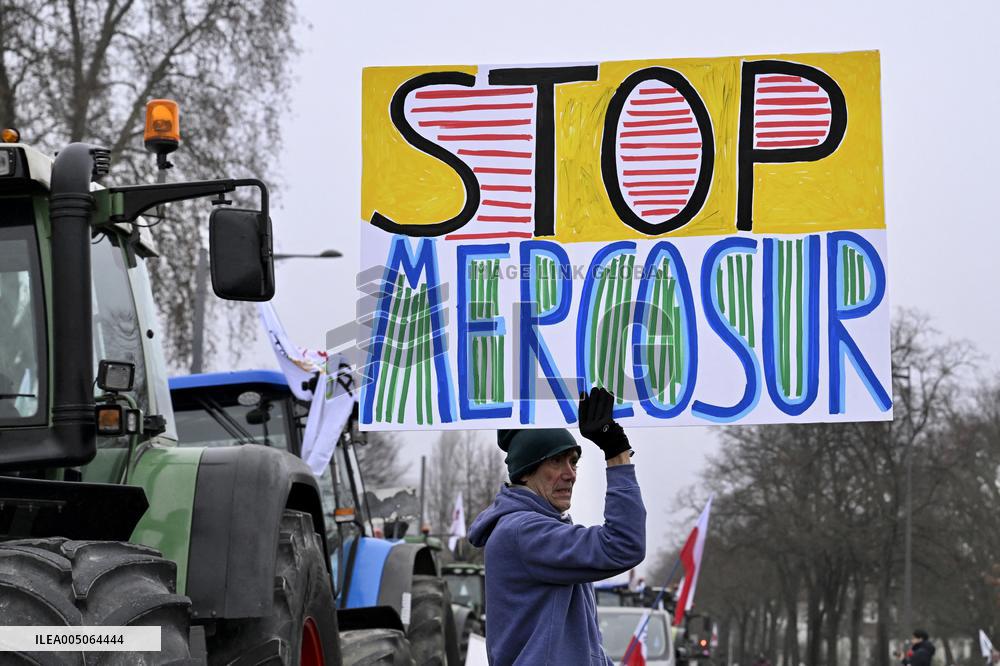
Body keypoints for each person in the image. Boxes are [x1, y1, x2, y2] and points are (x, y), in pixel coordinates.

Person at [468, 387, 645, 665]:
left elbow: (583, 648)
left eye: (573, 462)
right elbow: (623, 546)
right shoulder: (523, 531)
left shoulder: (539, 529)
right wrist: (617, 453)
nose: (571, 474)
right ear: (526, 471)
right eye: (556, 461)